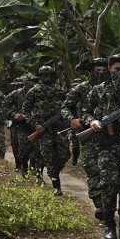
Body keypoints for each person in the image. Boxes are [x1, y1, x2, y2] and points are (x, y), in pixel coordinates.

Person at [83, 54, 120, 239]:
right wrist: (93, 121)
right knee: (108, 186)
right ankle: (109, 227)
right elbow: (85, 111)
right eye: (117, 69)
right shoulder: (98, 91)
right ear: (109, 69)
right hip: (106, 146)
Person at [63, 58, 110, 218]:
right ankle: (99, 204)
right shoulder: (81, 89)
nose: (101, 73)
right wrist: (72, 119)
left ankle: (109, 203)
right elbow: (65, 106)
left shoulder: (113, 88)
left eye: (104, 71)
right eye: (98, 71)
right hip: (88, 136)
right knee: (92, 169)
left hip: (110, 137)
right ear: (91, 72)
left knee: (109, 172)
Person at [23, 65, 71, 195]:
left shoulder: (59, 90)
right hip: (43, 129)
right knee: (49, 157)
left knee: (65, 154)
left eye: (50, 75)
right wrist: (35, 124)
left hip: (58, 126)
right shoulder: (34, 91)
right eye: (44, 75)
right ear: (40, 77)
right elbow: (26, 111)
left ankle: (51, 171)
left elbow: (68, 104)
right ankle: (57, 186)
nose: (47, 77)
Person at [2, 75, 35, 175]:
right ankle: (19, 164)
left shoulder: (38, 93)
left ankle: (33, 167)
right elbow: (4, 107)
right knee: (18, 146)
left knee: (35, 147)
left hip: (34, 124)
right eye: (29, 82)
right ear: (25, 83)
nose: (32, 84)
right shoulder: (16, 94)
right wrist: (13, 114)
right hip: (19, 125)